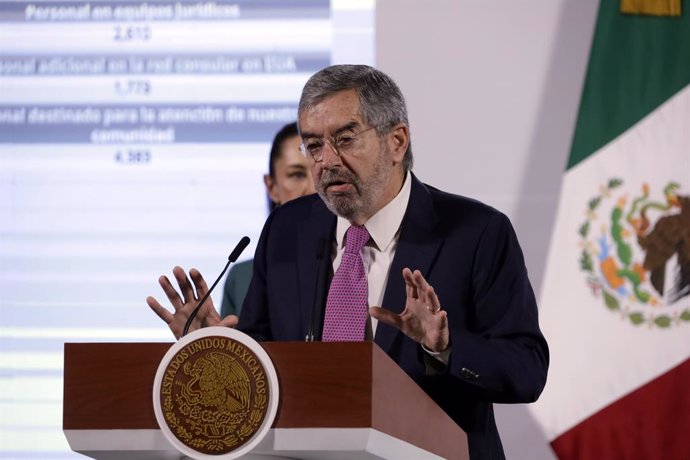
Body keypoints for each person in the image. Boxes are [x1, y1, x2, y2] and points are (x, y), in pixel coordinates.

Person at [147, 64, 549, 460]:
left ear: (397, 141)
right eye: (314, 145)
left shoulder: (476, 233)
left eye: (345, 138)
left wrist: (444, 348)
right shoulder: (288, 230)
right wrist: (219, 349)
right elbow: (265, 358)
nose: (327, 161)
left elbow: (527, 372)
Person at [220, 122, 315, 319]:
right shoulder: (242, 277)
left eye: (319, 172)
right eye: (296, 175)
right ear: (272, 187)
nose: (313, 188)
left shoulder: (355, 266)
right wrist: (202, 340)